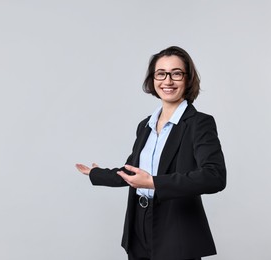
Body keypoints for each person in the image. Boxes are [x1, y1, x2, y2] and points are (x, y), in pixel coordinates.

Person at [75, 46, 226, 260]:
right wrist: (96, 173)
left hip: (176, 226)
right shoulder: (145, 125)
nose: (168, 81)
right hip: (138, 222)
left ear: (188, 78)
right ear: (153, 79)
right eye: (161, 74)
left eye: (176, 73)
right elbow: (133, 173)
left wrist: (155, 183)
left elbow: (215, 177)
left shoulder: (199, 124)